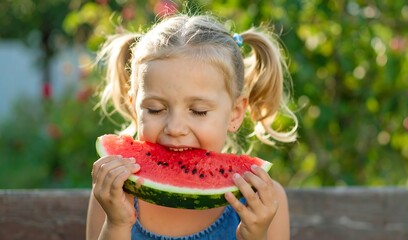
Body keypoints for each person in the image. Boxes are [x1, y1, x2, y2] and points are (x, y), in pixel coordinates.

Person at [86, 12, 298, 240]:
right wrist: (116, 224)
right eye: (155, 109)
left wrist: (256, 235)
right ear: (133, 108)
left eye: (198, 111)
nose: (175, 128)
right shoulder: (112, 195)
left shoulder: (265, 202)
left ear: (235, 114)